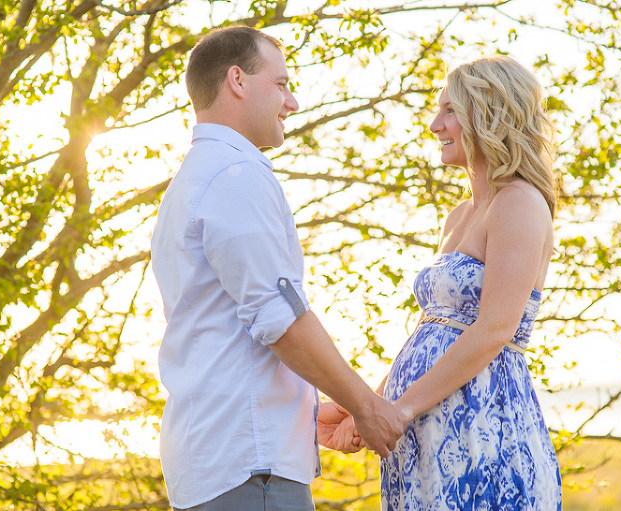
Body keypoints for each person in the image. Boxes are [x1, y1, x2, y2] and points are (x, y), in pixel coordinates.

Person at [150, 26, 407, 511]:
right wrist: (366, 407)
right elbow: (279, 320)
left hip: (225, 459)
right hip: (249, 470)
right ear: (237, 81)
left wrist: (305, 413)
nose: (291, 103)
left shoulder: (194, 180)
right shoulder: (234, 175)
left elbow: (224, 331)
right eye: (282, 84)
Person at [377, 56, 564, 510]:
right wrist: (370, 405)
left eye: (449, 111)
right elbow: (430, 328)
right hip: (424, 430)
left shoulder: (518, 201)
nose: (434, 125)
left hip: (482, 424)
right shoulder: (458, 216)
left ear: (490, 114)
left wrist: (401, 409)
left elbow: (495, 329)